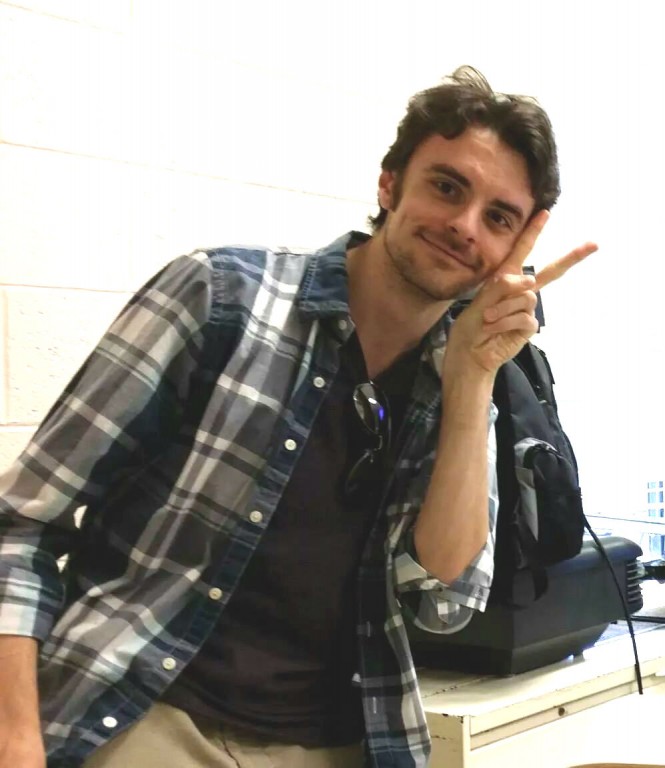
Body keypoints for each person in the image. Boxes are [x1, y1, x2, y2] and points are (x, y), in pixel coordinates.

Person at [0, 66, 597, 768]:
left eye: (498, 218)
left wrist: (470, 381)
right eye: (446, 187)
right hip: (151, 713)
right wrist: (16, 741)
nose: (464, 226)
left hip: (335, 740)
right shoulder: (220, 297)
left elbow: (445, 599)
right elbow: (21, 526)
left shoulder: (462, 374)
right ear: (389, 184)